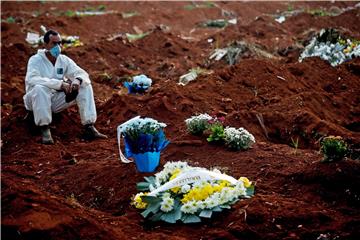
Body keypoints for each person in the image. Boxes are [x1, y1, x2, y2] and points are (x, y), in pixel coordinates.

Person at [23, 29, 107, 144]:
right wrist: (59, 84)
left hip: (54, 102)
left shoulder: (63, 60)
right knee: (39, 88)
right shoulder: (35, 60)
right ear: (45, 44)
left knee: (84, 85)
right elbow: (32, 79)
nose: (57, 46)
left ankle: (89, 127)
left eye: (59, 43)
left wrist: (77, 81)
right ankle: (45, 129)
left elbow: (82, 73)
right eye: (54, 43)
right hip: (36, 101)